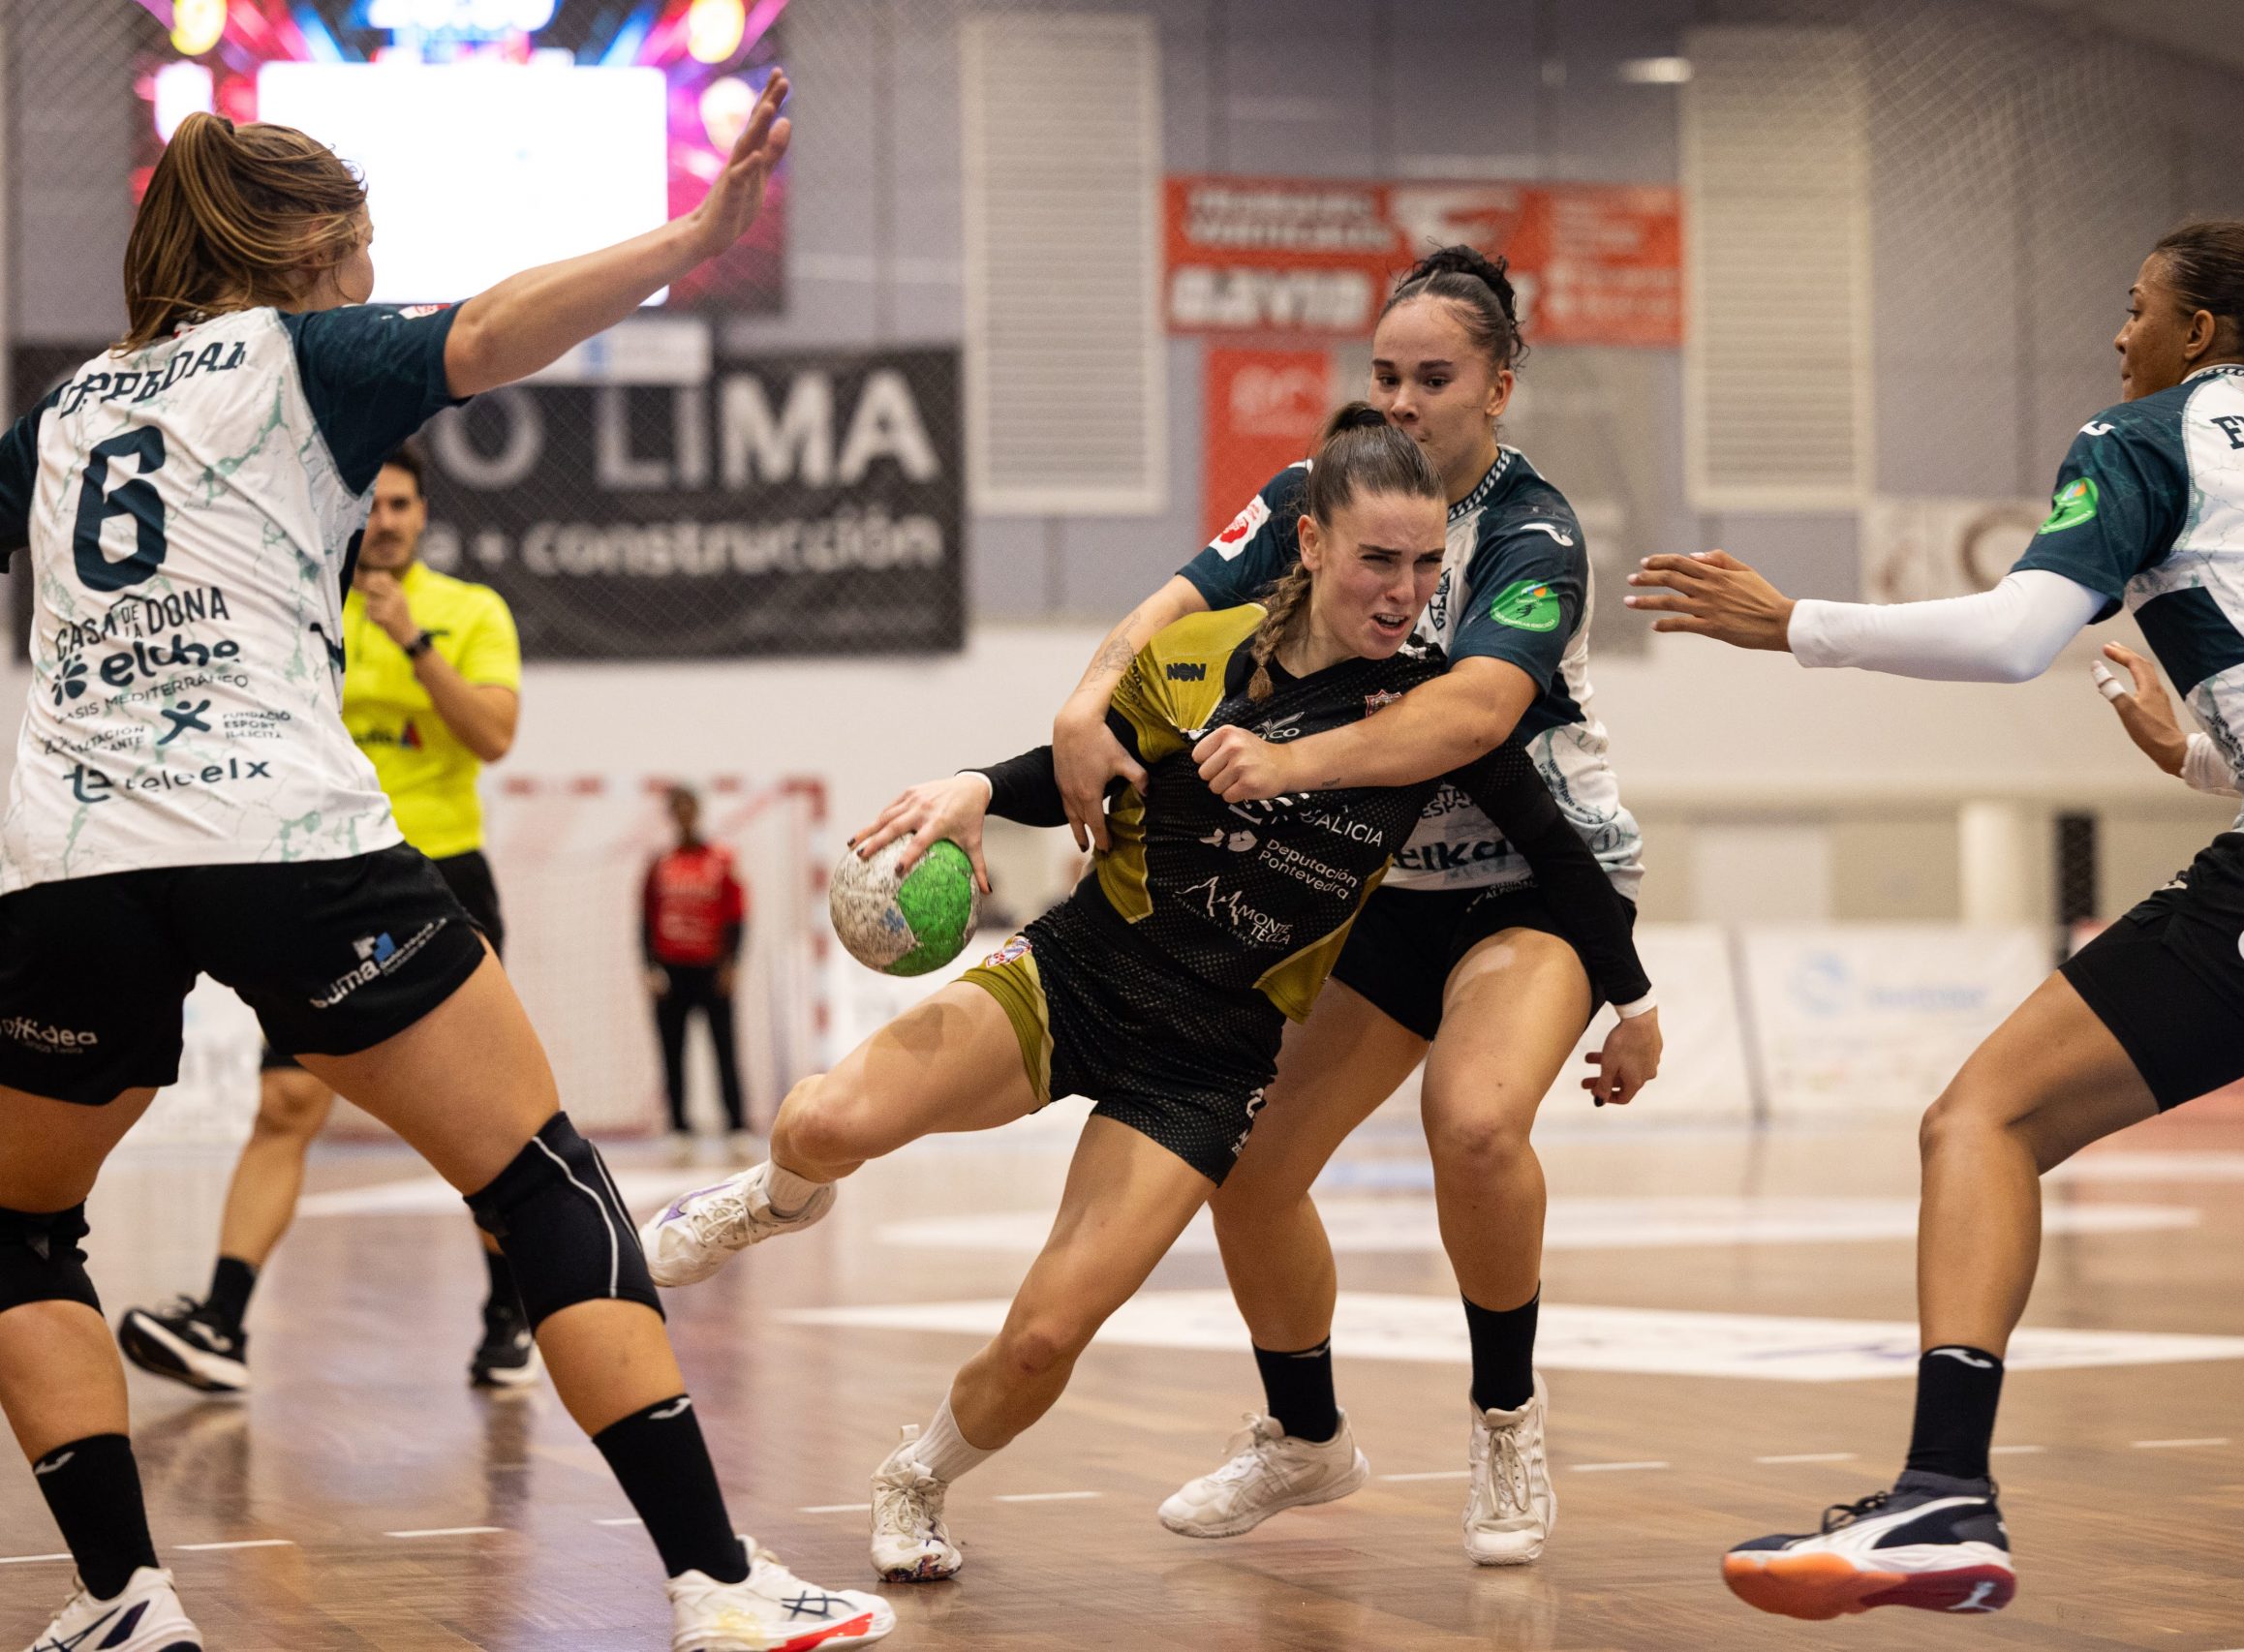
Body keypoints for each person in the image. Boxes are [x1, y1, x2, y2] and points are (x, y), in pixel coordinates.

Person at [0, 82, 892, 1648]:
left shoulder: (62, 416)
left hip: (69, 867)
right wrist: (692, 238)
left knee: (15, 1227)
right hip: (282, 840)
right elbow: (495, 328)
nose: (373, 278)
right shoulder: (302, 354)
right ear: (318, 255)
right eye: (365, 251)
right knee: (542, 1176)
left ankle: (125, 1601)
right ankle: (716, 1581)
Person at [638, 407, 1664, 1586]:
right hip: (1078, 975)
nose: (1405, 590)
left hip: (1205, 1064)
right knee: (824, 1121)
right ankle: (775, 1197)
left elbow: (1560, 856)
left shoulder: (1429, 719)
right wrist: (975, 786)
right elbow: (1077, 767)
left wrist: (1632, 1006)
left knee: (1043, 1337)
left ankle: (915, 1475)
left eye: (1428, 563)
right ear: (1312, 542)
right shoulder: (1201, 656)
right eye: (1378, 558)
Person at [1628, 220, 2244, 1621]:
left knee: (1984, 1119)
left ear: (2196, 332)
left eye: (2135, 305)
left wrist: (1795, 625)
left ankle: (1941, 1497)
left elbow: (2018, 636)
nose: (2117, 332)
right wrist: (2193, 757)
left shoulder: (2146, 435)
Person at [1023, 245, 1652, 1567]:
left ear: (1500, 386)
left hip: (1537, 882)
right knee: (1249, 1168)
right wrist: (1084, 701)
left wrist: (1291, 762)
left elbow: (1472, 716)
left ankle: (1506, 1417)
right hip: (1389, 889)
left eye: (1435, 377)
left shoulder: (1535, 532)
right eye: (1385, 374)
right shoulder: (1317, 495)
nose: (1403, 400)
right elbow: (1169, 610)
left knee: (1472, 1121)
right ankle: (1304, 1438)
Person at [117, 443, 542, 1395]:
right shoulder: (299, 610)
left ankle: (506, 1317)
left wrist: (412, 641)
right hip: (318, 879)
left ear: (422, 514)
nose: (383, 520)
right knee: (285, 1104)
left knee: (482, 1113)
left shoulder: (471, 611)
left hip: (442, 874)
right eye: (370, 504)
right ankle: (221, 1322)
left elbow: (493, 735)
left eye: (400, 505)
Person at [645, 784, 753, 1158]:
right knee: (672, 1052)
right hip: (671, 971)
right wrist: (649, 967)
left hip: (711, 970)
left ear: (698, 811)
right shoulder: (660, 863)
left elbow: (737, 914)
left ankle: (736, 1126)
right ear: (671, 815)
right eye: (677, 809)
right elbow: (646, 918)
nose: (684, 815)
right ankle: (679, 1128)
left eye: (689, 808)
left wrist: (732, 963)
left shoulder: (721, 859)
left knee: (725, 1049)